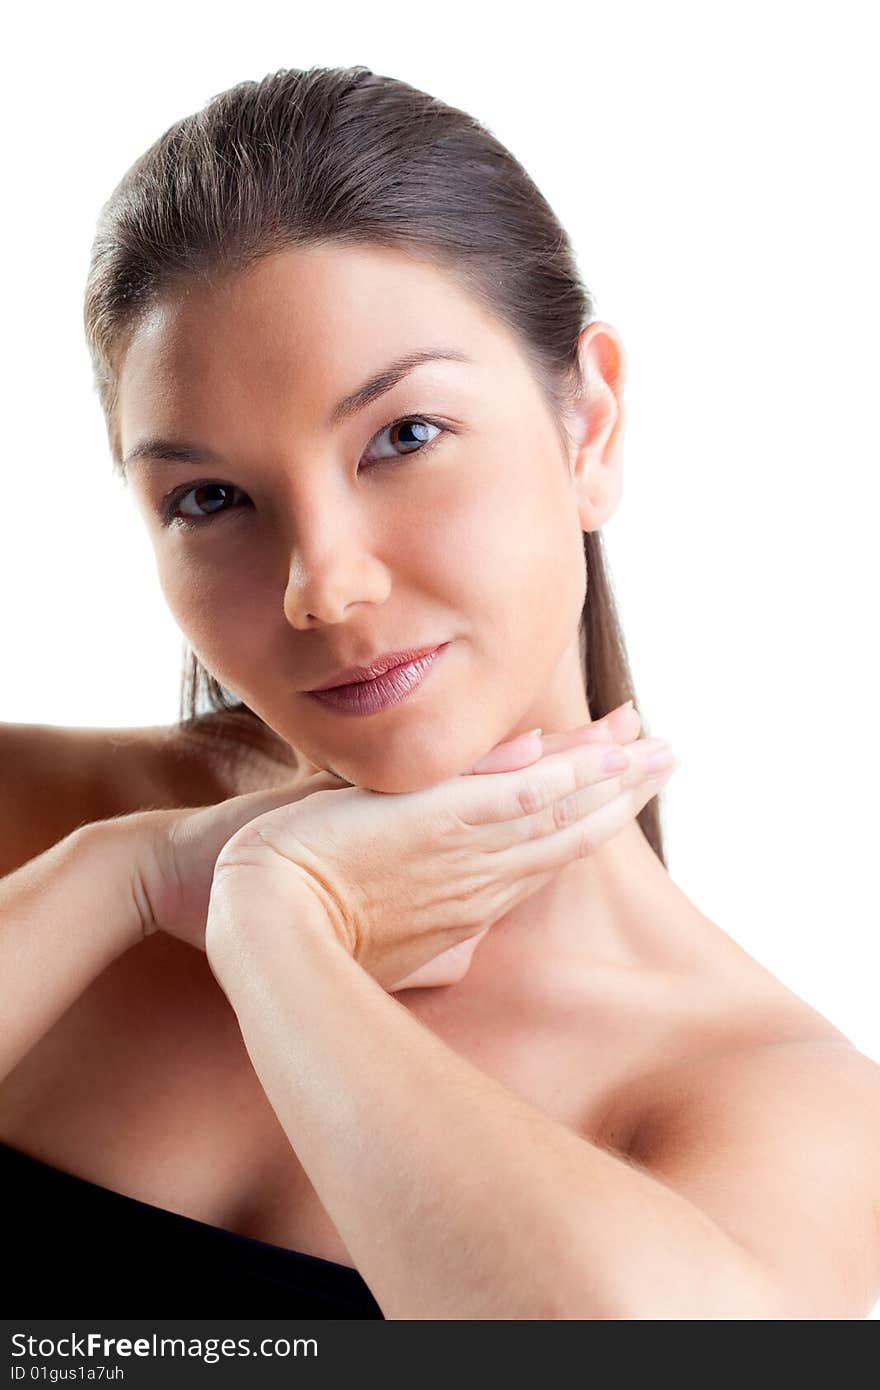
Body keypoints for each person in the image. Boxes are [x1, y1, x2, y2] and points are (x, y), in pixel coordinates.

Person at [1, 64, 878, 1321]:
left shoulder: (770, 1091)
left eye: (402, 437)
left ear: (590, 425)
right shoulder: (39, 826)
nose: (324, 585)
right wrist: (124, 880)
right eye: (209, 499)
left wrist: (275, 931)